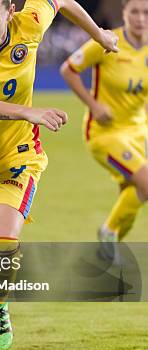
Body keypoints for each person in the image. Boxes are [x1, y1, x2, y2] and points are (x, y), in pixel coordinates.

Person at [0, 0, 118, 350]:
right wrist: (27, 111)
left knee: (4, 238)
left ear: (11, 11)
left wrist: (99, 35)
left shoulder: (30, 23)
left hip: (17, 154)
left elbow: (60, 0)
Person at [60, 0, 147, 260]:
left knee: (136, 196)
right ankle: (107, 232)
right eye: (135, 12)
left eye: (146, 12)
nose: (141, 18)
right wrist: (94, 105)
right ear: (124, 13)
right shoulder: (109, 42)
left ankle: (107, 252)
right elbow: (69, 69)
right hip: (104, 133)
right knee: (146, 184)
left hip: (138, 132)